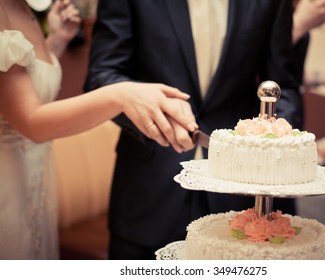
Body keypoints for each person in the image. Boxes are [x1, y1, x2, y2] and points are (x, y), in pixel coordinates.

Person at [84, 0, 303, 260]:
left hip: (237, 197)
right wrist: (144, 106)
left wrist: (275, 145)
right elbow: (102, 74)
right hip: (148, 192)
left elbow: (283, 87)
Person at [0, 0, 197, 259]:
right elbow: (31, 121)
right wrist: (120, 95)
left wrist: (56, 41)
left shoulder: (24, 9)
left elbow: (23, 82)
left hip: (35, 180)